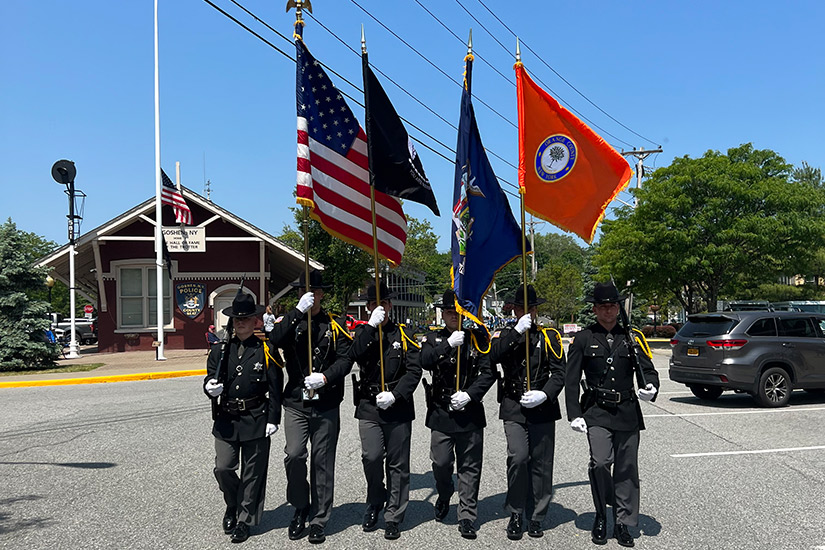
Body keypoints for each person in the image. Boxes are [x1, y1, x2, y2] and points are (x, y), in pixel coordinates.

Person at [564, 281, 659, 548]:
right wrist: (574, 414)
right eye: (603, 307)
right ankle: (601, 513)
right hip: (596, 410)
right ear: (594, 309)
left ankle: (623, 522)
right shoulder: (583, 338)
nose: (609, 311)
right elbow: (571, 380)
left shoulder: (631, 336)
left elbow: (647, 370)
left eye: (613, 306)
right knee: (601, 462)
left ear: (618, 308)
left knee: (627, 468)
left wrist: (651, 387)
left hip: (627, 409)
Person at [268, 270, 353, 544]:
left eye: (315, 292)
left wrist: (326, 376)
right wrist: (295, 312)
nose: (311, 297)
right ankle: (300, 506)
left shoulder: (335, 325)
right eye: (305, 292)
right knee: (294, 455)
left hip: (326, 402)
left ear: (322, 294)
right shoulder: (289, 321)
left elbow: (345, 359)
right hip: (295, 401)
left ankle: (319, 518)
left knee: (322, 462)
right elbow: (275, 341)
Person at [203, 287, 282, 543]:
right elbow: (211, 378)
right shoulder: (220, 350)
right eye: (237, 319)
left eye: (245, 318)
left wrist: (273, 418)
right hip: (227, 418)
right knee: (223, 467)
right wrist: (209, 387)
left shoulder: (265, 350)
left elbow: (275, 387)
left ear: (255, 320)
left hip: (255, 416)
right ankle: (233, 503)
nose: (241, 323)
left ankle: (245, 519)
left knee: (253, 472)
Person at [490, 284, 566, 540]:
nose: (527, 312)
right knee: (519, 458)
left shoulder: (549, 336)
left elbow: (559, 372)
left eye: (530, 308)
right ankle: (515, 511)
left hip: (542, 406)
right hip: (514, 405)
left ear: (535, 310)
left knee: (542, 463)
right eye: (522, 308)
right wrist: (516, 333)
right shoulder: (506, 334)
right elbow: (493, 357)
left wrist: (545, 393)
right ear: (514, 309)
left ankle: (537, 515)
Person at [348, 280, 422, 540]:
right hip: (369, 406)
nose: (378, 307)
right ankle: (376, 499)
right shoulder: (362, 333)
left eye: (383, 303)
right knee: (370, 456)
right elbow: (353, 355)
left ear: (390, 306)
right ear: (367, 307)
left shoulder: (403, 334)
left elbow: (414, 370)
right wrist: (369, 327)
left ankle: (394, 514)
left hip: (397, 404)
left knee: (398, 463)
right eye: (372, 304)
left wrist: (396, 394)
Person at [419, 290, 495, 539]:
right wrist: (448, 345)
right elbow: (425, 361)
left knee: (470, 467)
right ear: (443, 314)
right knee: (441, 463)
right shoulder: (434, 338)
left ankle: (467, 515)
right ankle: (444, 492)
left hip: (470, 412)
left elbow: (488, 373)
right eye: (449, 312)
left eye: (458, 312)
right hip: (441, 412)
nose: (454, 316)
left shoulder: (478, 338)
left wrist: (470, 394)